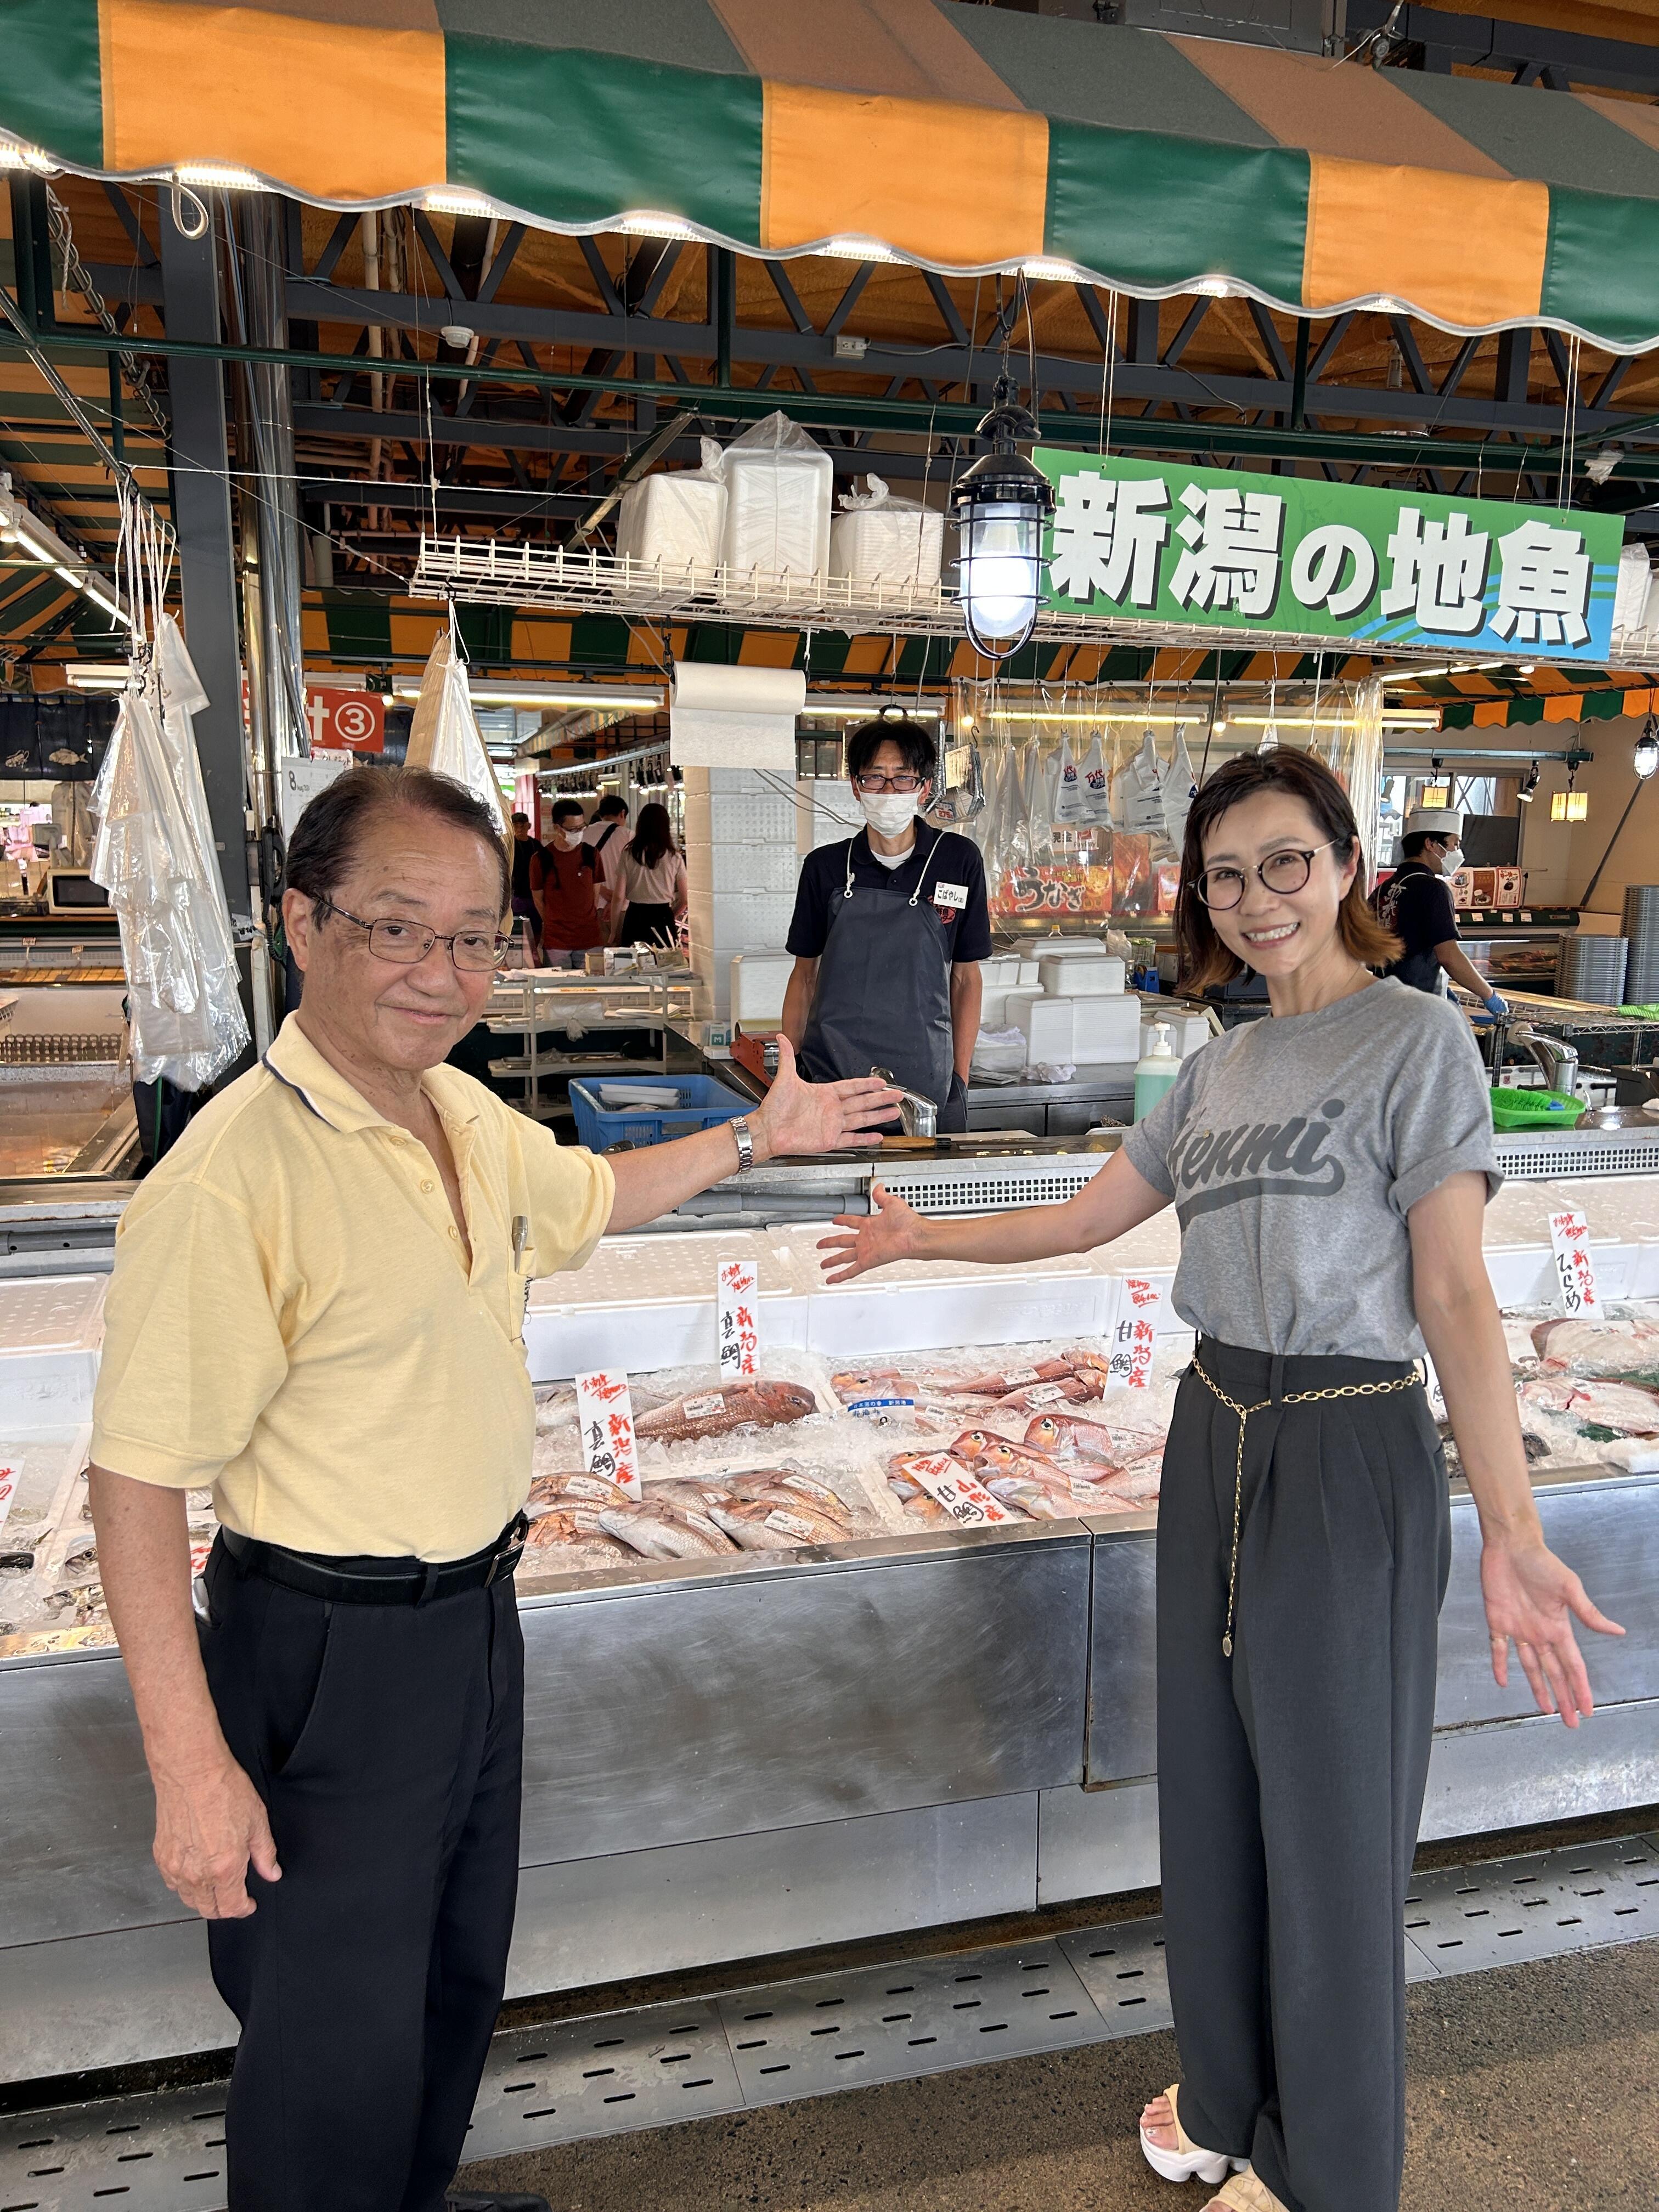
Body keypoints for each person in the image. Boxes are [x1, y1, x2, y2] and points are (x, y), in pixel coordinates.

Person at [817, 747, 1621, 2212]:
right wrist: (914, 1237)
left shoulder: (1414, 1041)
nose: (1258, 900)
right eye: (1230, 874)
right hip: (1217, 1432)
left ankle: (1331, 2175)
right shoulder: (1216, 1068)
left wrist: (1513, 1527)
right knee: (1216, 1804)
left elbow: (1453, 1296)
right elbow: (1080, 1224)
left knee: (1332, 1829)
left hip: (1349, 1438)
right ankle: (1234, 2112)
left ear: (1349, 866)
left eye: (1287, 864)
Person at [86, 765, 898, 2212]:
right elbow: (136, 1481)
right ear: (301, 925)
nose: (441, 970)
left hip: (472, 1622)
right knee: (328, 2029)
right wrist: (191, 1771)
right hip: (327, 1649)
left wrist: (755, 1140)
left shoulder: (456, 1113)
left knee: (453, 1973)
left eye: (474, 936)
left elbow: (587, 1199)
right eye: (398, 928)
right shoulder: (231, 1179)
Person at [782, 717, 989, 1135]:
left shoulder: (958, 860)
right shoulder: (824, 867)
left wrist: (959, 1080)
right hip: (831, 1081)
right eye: (875, 778)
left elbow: (966, 979)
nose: (889, 790)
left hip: (927, 1082)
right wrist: (791, 1074)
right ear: (856, 787)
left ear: (925, 787)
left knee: (916, 1197)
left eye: (903, 778)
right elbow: (804, 977)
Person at [1375, 805, 1507, 1016]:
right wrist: (1489, 995)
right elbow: (1449, 956)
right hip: (1416, 1008)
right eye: (1454, 844)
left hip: (1381, 1002)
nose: (1457, 852)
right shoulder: (1433, 888)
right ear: (1431, 844)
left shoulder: (1382, 889)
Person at [537, 797, 606, 969]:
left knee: (592, 993)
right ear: (557, 828)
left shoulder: (592, 855)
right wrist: (555, 921)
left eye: (582, 827)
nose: (579, 833)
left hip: (590, 939)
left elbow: (595, 896)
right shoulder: (541, 859)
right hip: (556, 943)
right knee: (557, 992)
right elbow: (538, 900)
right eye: (573, 829)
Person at [614, 800, 688, 949]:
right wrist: (670, 915)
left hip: (635, 916)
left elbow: (618, 896)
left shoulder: (629, 854)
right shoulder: (675, 857)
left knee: (633, 968)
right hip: (663, 916)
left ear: (640, 825)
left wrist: (615, 931)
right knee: (665, 966)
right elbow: (685, 899)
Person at [583, 793, 631, 943]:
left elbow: (581, 870)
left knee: (597, 959)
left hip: (593, 907)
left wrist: (602, 892)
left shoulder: (583, 834)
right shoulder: (629, 836)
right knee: (625, 960)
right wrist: (615, 900)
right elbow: (635, 875)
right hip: (624, 909)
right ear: (622, 813)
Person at [507, 810, 545, 965]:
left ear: (528, 826)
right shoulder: (510, 846)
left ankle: (533, 957)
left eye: (522, 825)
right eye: (516, 825)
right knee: (517, 929)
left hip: (534, 894)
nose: (519, 829)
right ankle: (519, 959)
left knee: (536, 928)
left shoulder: (535, 845)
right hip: (517, 895)